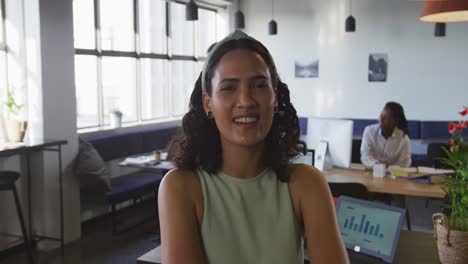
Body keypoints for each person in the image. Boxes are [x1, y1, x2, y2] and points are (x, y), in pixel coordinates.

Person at [158, 30, 348, 264]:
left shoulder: (306, 184)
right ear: (208, 103)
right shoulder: (182, 187)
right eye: (229, 88)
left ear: (275, 97)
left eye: (259, 85)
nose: (246, 101)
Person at [360, 102, 411, 168]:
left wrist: (388, 167)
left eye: (385, 117)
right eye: (381, 115)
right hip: (372, 171)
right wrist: (377, 164)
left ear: (395, 121)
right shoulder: (369, 131)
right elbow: (365, 157)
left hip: (393, 175)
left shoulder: (403, 138)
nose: (381, 119)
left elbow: (405, 163)